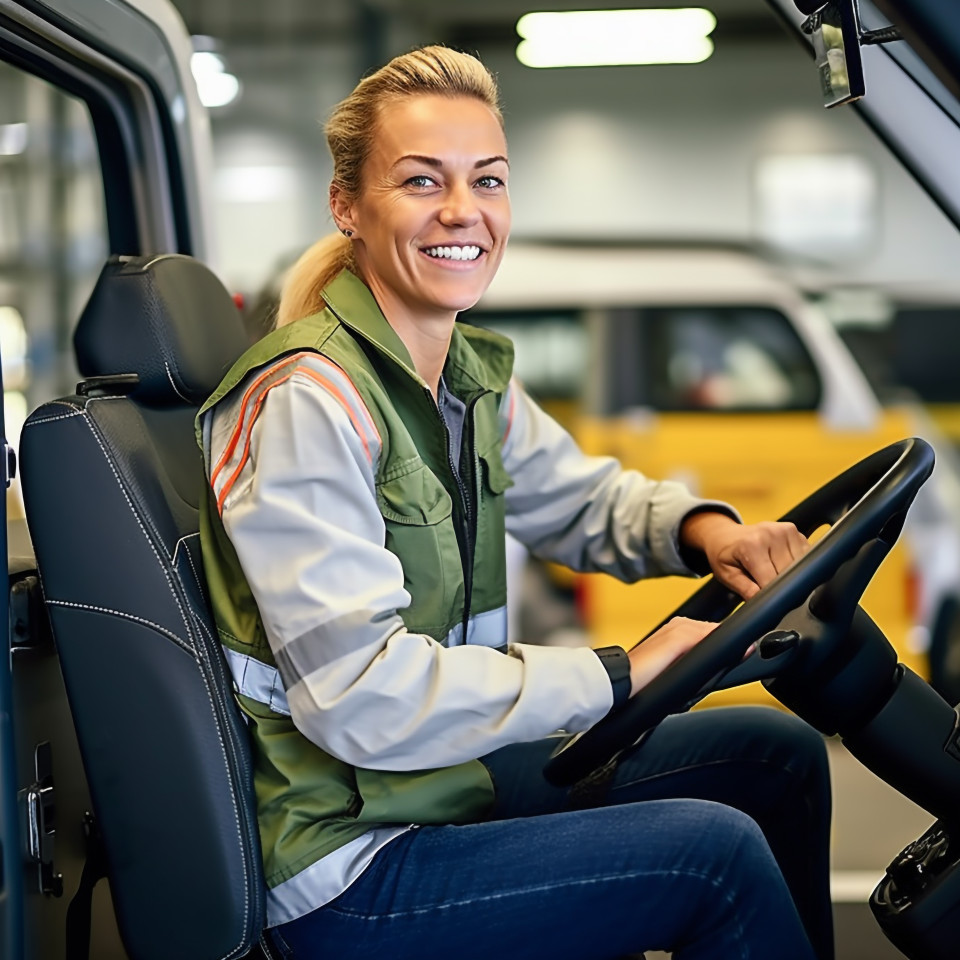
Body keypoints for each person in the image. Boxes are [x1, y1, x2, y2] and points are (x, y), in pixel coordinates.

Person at [198, 46, 833, 960]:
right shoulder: (310, 401)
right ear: (348, 205)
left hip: (438, 780)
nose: (463, 212)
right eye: (422, 181)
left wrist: (704, 533)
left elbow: (582, 501)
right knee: (713, 857)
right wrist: (624, 671)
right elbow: (359, 699)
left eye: (486, 181)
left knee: (778, 759)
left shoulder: (466, 376)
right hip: (349, 855)